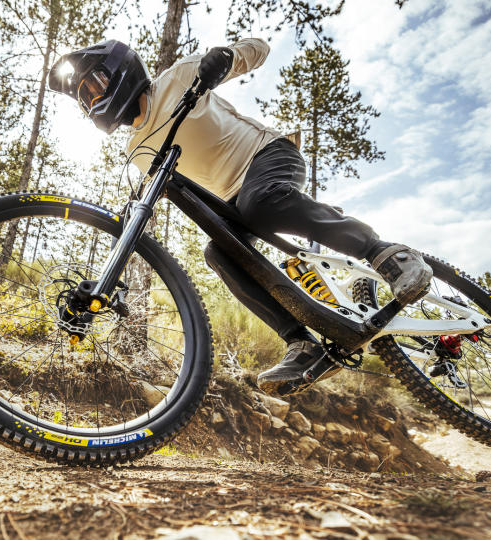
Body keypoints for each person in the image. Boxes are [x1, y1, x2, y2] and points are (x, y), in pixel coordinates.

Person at [48, 39, 433, 396]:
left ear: (120, 69)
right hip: (233, 202)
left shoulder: (177, 78)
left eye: (94, 85)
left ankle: (386, 253)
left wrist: (226, 58)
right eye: (85, 97)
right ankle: (301, 343)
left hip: (266, 156)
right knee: (219, 253)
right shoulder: (137, 150)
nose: (93, 99)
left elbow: (259, 49)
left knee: (260, 203)